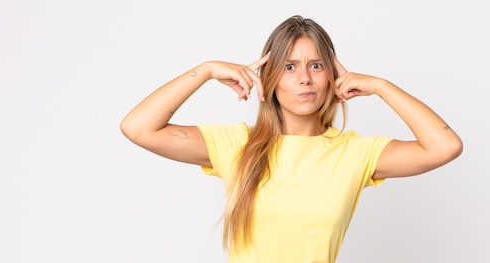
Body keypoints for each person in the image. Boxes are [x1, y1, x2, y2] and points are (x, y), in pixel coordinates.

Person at [120, 15, 462, 263]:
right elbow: (138, 127)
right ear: (268, 79)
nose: (304, 79)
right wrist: (206, 70)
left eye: (316, 66)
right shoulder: (235, 145)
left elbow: (445, 146)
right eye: (288, 67)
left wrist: (381, 87)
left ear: (332, 77)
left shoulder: (355, 154)